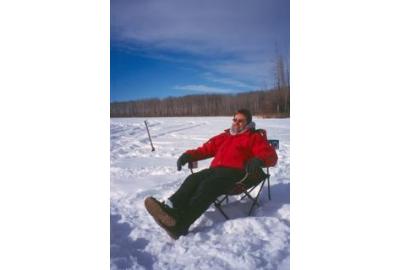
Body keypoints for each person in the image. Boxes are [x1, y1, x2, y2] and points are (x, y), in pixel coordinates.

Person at [144, 109, 278, 239]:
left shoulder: (254, 137)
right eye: (235, 119)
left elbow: (270, 155)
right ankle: (169, 209)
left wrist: (259, 159)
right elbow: (205, 149)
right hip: (216, 170)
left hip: (236, 174)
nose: (236, 123)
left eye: (241, 121)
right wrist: (188, 155)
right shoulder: (225, 136)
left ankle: (181, 225)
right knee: (193, 179)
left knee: (208, 186)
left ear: (248, 123)